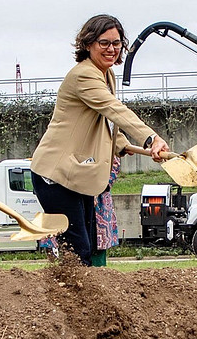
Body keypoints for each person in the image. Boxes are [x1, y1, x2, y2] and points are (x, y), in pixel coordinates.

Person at [28, 15, 170, 265]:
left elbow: (102, 121)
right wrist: (151, 138)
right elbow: (112, 109)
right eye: (104, 43)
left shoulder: (106, 75)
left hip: (78, 175)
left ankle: (82, 298)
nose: (111, 49)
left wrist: (121, 143)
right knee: (77, 249)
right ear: (88, 44)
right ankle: (70, 299)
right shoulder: (84, 75)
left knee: (90, 246)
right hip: (55, 174)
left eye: (116, 43)